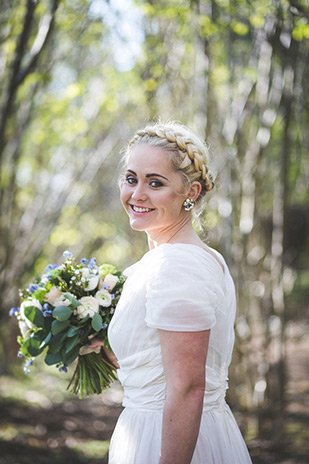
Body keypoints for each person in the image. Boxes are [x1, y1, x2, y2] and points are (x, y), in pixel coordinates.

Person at [91, 121, 252, 464]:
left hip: (166, 441)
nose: (137, 194)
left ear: (191, 193)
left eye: (156, 183)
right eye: (131, 178)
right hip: (165, 428)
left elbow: (188, 388)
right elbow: (162, 365)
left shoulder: (176, 266)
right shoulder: (187, 259)